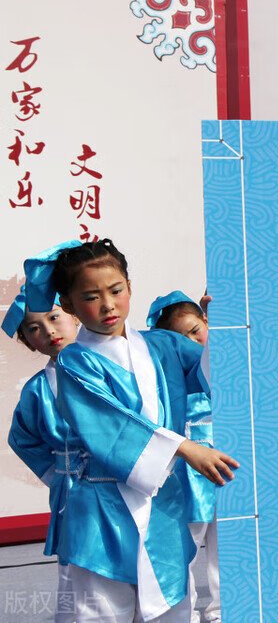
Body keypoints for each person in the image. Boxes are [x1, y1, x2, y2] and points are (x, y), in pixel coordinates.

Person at [22, 239, 239, 621]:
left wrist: (219, 326)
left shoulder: (164, 345)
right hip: (102, 509)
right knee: (100, 612)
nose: (107, 305)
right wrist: (186, 448)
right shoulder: (75, 361)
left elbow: (212, 375)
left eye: (116, 290)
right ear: (70, 306)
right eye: (91, 296)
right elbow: (111, 424)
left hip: (163, 504)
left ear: (129, 287)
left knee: (174, 606)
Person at [4, 288, 80, 621]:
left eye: (54, 318)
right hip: (74, 491)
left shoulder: (119, 366)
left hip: (124, 482)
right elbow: (22, 438)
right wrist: (57, 474)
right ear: (26, 341)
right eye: (34, 328)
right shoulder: (36, 389)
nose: (49, 331)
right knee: (74, 567)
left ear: (74, 314)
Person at [148, 291, 221, 623]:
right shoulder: (167, 381)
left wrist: (218, 326)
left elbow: (210, 368)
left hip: (225, 470)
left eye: (196, 331)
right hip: (187, 478)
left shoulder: (216, 367)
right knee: (183, 550)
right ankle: (183, 614)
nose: (190, 342)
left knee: (228, 549)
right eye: (178, 338)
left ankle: (223, 611)